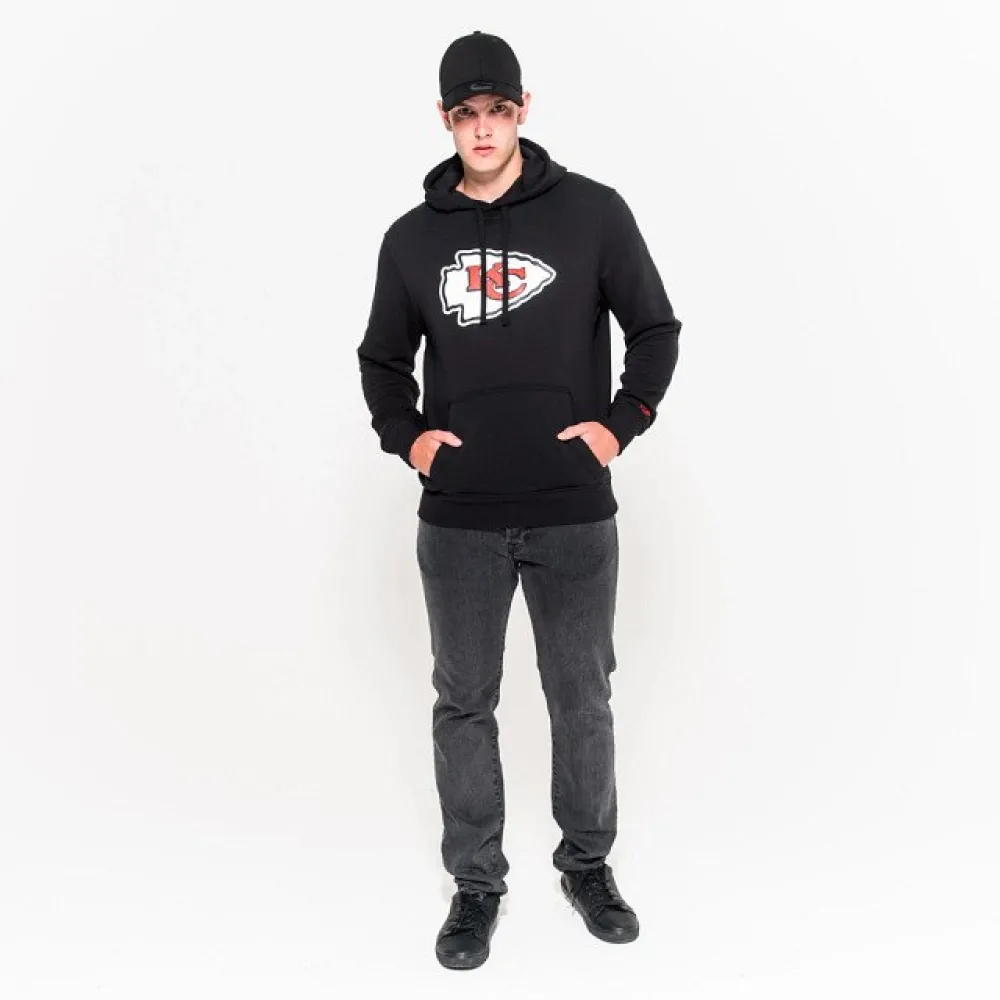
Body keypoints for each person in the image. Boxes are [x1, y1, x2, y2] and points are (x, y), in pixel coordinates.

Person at [357, 30, 682, 970]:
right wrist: (409, 437)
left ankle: (587, 866)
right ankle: (476, 885)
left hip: (573, 511)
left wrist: (620, 425)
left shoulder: (593, 214)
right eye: (467, 114)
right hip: (458, 518)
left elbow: (655, 329)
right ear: (444, 119)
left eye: (498, 110)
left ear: (524, 110)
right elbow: (381, 360)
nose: (484, 129)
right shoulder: (411, 240)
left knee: (582, 697)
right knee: (464, 702)